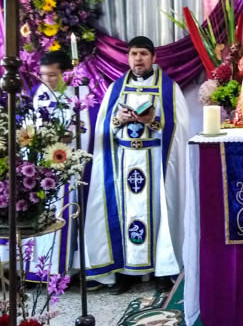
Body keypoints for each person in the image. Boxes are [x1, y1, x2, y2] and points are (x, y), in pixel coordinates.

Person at [85, 36, 189, 294]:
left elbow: (179, 129)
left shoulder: (168, 88)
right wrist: (117, 120)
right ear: (128, 57)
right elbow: (103, 128)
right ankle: (126, 272)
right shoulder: (116, 89)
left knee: (159, 215)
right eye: (134, 54)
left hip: (155, 164)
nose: (138, 59)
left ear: (153, 57)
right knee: (125, 215)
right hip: (123, 163)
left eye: (143, 54)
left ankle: (161, 270)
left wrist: (151, 121)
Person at [24, 50, 91, 282]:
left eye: (52, 75)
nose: (47, 80)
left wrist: (69, 135)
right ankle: (38, 270)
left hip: (68, 165)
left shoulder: (79, 94)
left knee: (65, 213)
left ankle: (63, 270)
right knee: (41, 214)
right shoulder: (38, 94)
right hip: (42, 165)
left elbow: (86, 130)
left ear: (66, 74)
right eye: (43, 75)